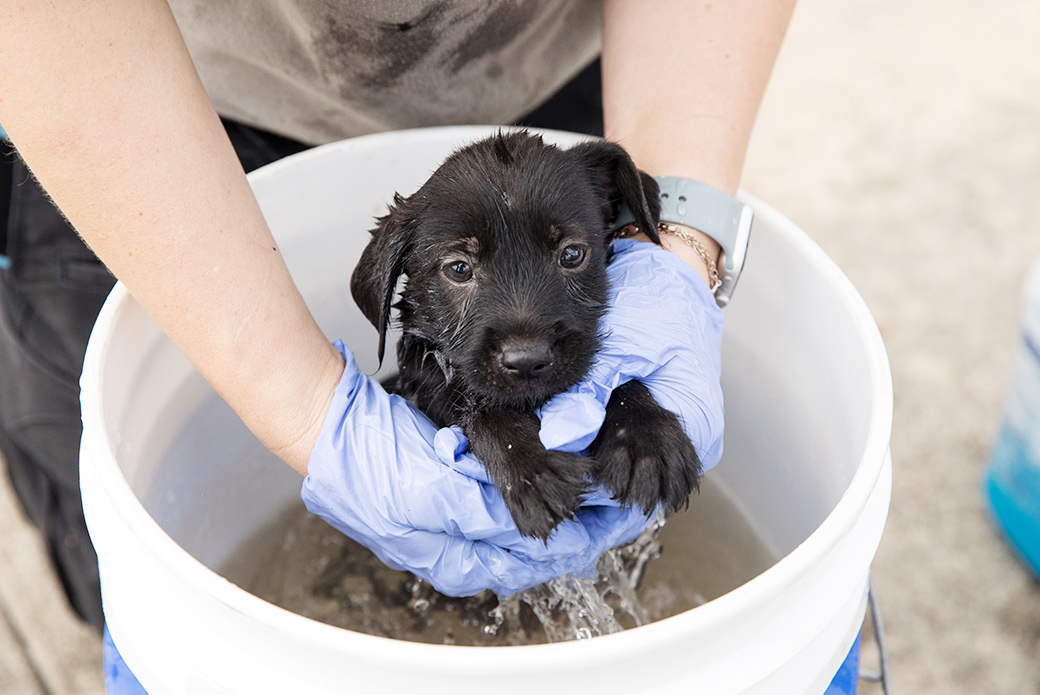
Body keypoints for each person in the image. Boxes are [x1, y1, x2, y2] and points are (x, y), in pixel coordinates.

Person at [0, 0, 796, 634]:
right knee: (129, 568)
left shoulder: (601, 189)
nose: (523, 338)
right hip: (153, 114)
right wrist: (314, 417)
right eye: (459, 271)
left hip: (583, 66)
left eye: (571, 257)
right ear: (394, 289)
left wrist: (681, 255)